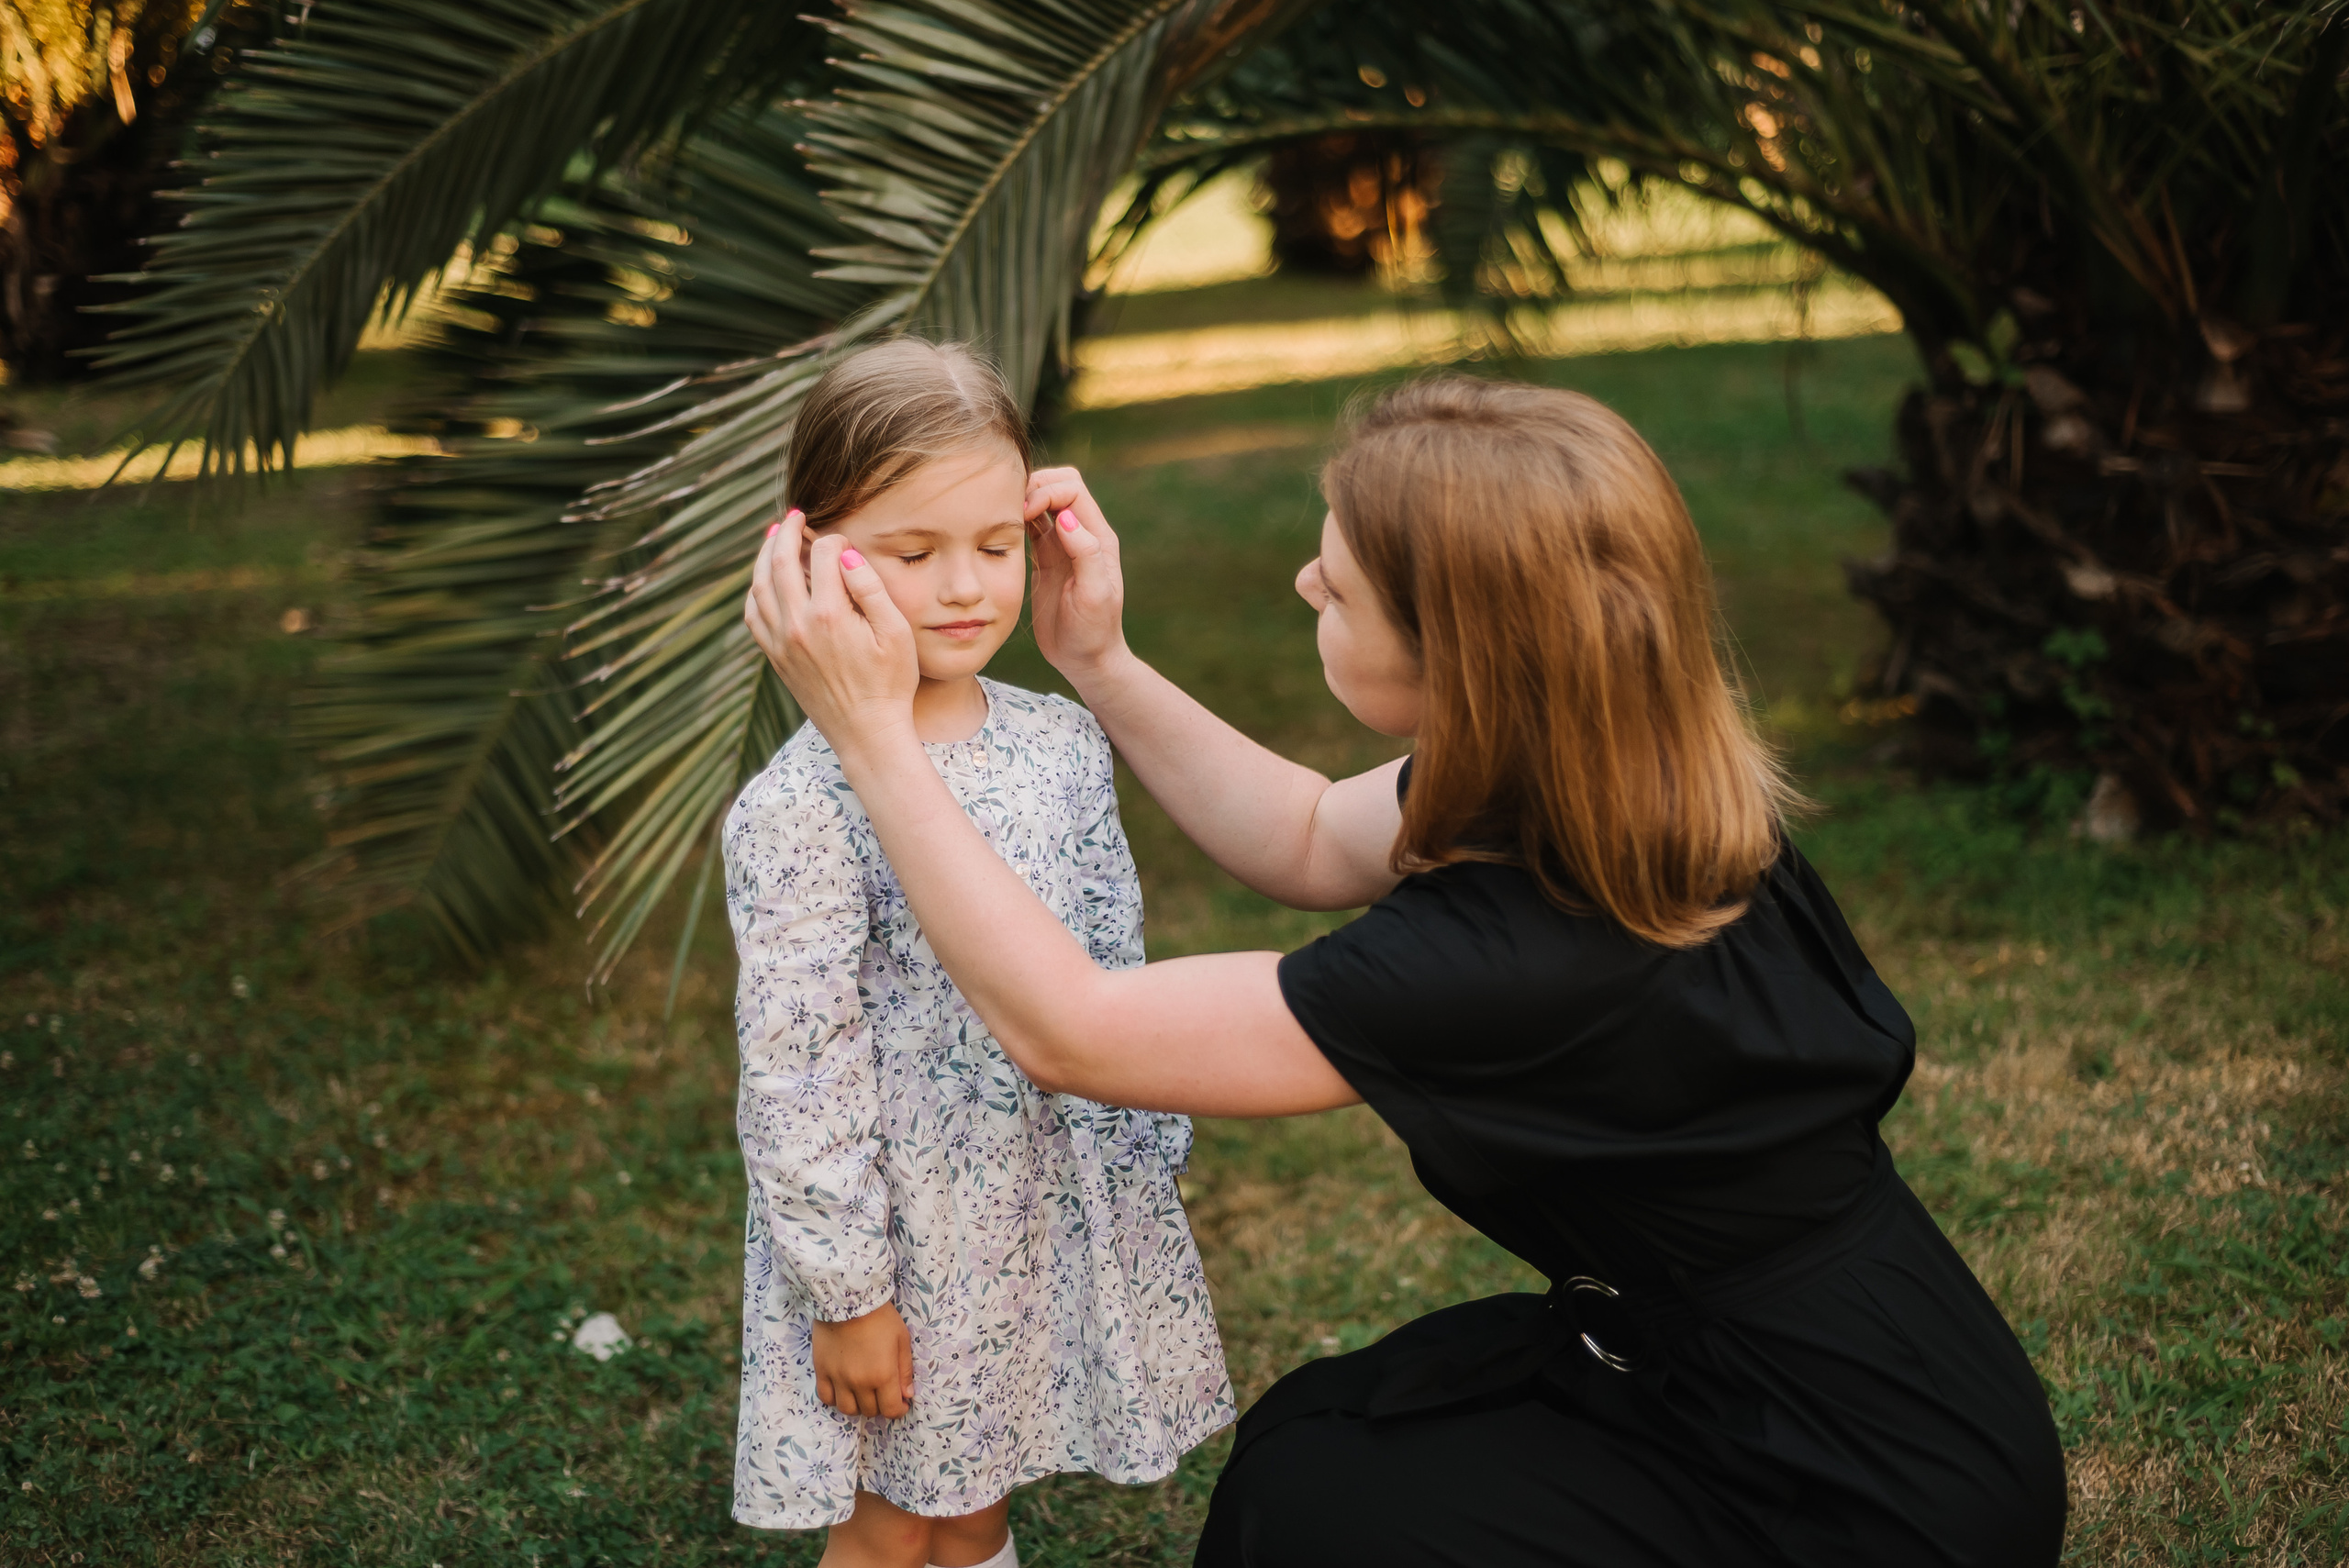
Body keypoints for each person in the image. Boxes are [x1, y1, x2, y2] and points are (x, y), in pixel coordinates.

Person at [746, 372, 2068, 1566]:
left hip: (1861, 1490)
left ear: (1459, 651)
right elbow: (1316, 833)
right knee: (1321, 1441)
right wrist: (1098, 657)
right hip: (1841, 1367)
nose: (1308, 586)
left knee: (1321, 1523)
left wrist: (874, 741)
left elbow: (1071, 1029)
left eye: (1343, 583)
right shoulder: (1608, 771)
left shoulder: (1513, 957)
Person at [720, 339, 1233, 1568]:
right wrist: (850, 1293)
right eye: (911, 553)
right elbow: (796, 1072)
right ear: (812, 550)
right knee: (894, 1514)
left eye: (995, 545)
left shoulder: (1058, 740)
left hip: (1040, 1203)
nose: (964, 588)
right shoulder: (805, 805)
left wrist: (1143, 1153)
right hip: (907, 1244)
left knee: (977, 1491)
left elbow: (1113, 941)